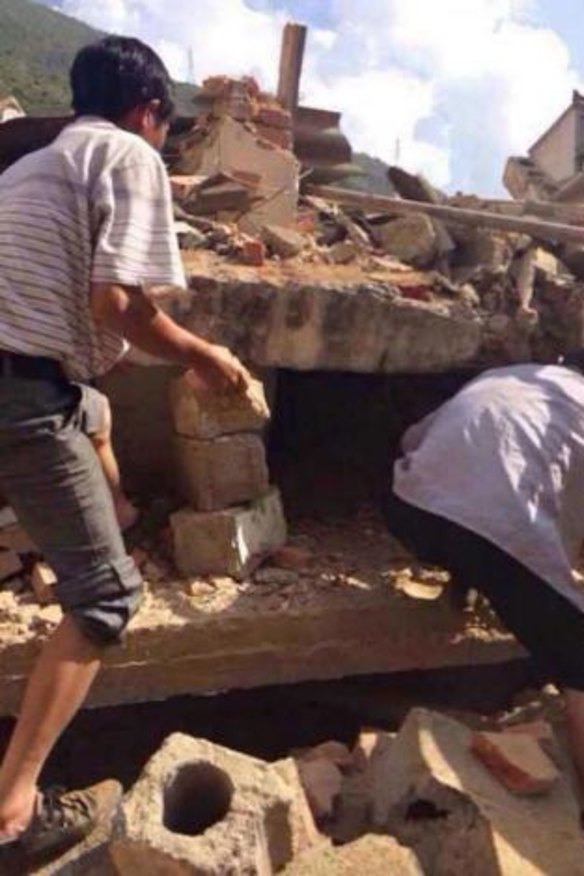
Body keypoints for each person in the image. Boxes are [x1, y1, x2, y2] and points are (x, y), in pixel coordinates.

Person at [0, 35, 251, 862]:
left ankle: (118, 511)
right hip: (17, 391)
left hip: (35, 378)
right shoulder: (127, 156)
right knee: (106, 601)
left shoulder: (31, 168)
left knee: (94, 406)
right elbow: (117, 305)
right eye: (159, 125)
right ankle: (13, 812)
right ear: (149, 113)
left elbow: (90, 333)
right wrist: (202, 355)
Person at [385, 360, 584, 794]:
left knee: (490, 537)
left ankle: (472, 574)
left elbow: (413, 440)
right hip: (493, 528)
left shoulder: (509, 376)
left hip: (410, 509)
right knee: (578, 656)